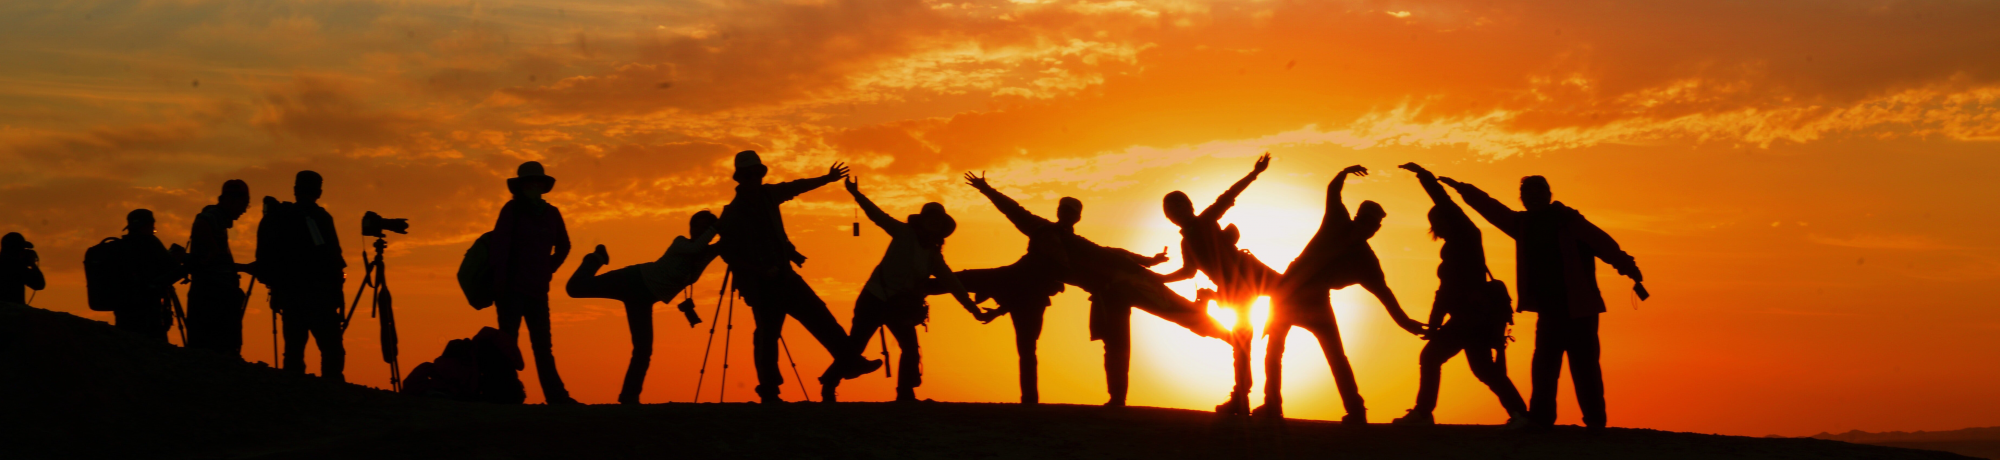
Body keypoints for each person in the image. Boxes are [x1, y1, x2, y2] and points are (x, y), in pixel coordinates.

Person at [962, 172, 1229, 407]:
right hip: (1108, 293)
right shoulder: (1042, 232)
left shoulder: (1077, 241)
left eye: (1073, 211)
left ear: (1077, 216)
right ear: (1059, 212)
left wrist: (1148, 261)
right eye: (1065, 210)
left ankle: (1233, 337)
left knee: (1185, 314)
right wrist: (987, 190)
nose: (1068, 215)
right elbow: (1014, 210)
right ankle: (1117, 400)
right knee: (1116, 346)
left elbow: (1112, 252)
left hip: (1135, 282)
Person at [1441, 174, 1644, 431]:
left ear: (1548, 195)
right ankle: (1541, 420)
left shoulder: (1569, 220)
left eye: (1537, 192)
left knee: (1584, 369)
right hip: (1550, 311)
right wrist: (1463, 189)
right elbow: (1493, 209)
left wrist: (1628, 267)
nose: (1532, 197)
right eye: (1527, 193)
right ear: (1522, 198)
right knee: (1544, 368)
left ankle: (1595, 422)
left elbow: (1603, 243)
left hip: (1580, 309)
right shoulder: (1522, 224)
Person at [1259, 165, 1427, 424]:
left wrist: (1406, 323)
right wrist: (1343, 173)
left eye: (1375, 226)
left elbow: (1385, 295)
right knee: (1274, 351)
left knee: (1335, 356)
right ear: (1358, 219)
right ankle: (1272, 406)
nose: (1371, 229)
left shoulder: (1366, 262)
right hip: (1288, 293)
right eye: (1368, 222)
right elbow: (1333, 191)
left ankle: (1356, 411)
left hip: (1315, 302)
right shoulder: (1337, 221)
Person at [715, 151, 880, 404]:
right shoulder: (733, 213)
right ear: (740, 178)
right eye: (749, 175)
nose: (754, 178)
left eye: (757, 174)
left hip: (785, 277)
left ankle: (850, 362)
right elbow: (727, 253)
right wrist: (759, 271)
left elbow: (797, 187)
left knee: (820, 317)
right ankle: (770, 391)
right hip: (762, 287)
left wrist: (827, 179)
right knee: (768, 337)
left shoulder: (769, 195)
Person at [823, 176, 986, 403]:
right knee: (856, 345)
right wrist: (856, 194)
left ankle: (905, 395)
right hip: (874, 298)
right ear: (923, 220)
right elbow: (876, 215)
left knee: (910, 348)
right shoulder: (903, 232)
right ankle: (829, 384)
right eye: (932, 219)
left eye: (939, 222)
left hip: (899, 307)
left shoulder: (933, 256)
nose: (935, 223)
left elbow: (952, 283)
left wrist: (973, 309)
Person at [1390, 163, 1528, 427]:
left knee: (1432, 358)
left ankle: (1423, 413)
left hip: (1470, 318)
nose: (1437, 226)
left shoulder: (1466, 237)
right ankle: (1521, 415)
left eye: (1440, 220)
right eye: (1434, 222)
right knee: (1484, 370)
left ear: (1448, 220)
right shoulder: (1455, 246)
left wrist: (1425, 176)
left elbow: (1445, 201)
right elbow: (1443, 293)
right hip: (1471, 318)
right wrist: (1434, 323)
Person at [565, 210, 724, 405]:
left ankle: (629, 397)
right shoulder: (681, 243)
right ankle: (595, 258)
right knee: (575, 288)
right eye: (695, 226)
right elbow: (696, 248)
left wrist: (726, 227)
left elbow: (726, 245)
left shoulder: (706, 253)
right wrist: (716, 227)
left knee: (643, 349)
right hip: (633, 280)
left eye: (703, 227)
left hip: (644, 299)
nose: (697, 231)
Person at [1156, 153, 1273, 415]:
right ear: (1169, 217)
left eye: (1179, 207)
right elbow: (1188, 271)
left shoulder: (1207, 220)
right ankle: (1241, 397)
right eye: (1171, 211)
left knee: (1243, 341)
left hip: (1247, 283)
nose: (1176, 213)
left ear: (1189, 206)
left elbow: (1229, 195)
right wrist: (1161, 278)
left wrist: (1254, 173)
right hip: (1231, 294)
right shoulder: (1187, 243)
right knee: (1241, 343)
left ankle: (1247, 398)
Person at [487, 161, 579, 404]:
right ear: (521, 186)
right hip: (510, 289)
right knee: (508, 343)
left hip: (538, 290)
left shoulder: (551, 213)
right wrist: (499, 281)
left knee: (542, 347)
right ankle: (505, 395)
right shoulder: (511, 210)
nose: (534, 186)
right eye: (530, 182)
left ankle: (556, 397)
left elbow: (564, 246)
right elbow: (499, 247)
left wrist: (549, 268)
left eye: (537, 182)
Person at [256, 171, 347, 382]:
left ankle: (293, 395)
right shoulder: (321, 218)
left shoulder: (280, 217)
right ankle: (332, 395)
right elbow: (333, 258)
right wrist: (338, 297)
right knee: (331, 350)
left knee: (294, 351)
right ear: (319, 192)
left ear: (296, 190)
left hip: (289, 295)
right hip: (319, 296)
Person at [185, 180, 256, 359]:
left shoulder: (219, 221)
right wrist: (213, 250)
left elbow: (219, 264)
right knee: (215, 350)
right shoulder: (213, 216)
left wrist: (244, 268)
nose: (244, 210)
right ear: (231, 201)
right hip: (212, 298)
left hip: (212, 294)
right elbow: (201, 226)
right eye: (244, 204)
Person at [111, 210, 183, 343]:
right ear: (147, 226)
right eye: (152, 227)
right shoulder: (151, 243)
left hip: (123, 312)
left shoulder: (119, 247)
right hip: (149, 312)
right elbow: (172, 268)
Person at [1, 232, 45, 305]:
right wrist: (32, 264)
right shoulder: (16, 266)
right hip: (12, 311)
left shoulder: (11, 264)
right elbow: (39, 284)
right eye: (22, 249)